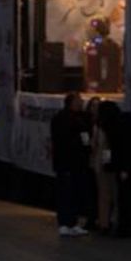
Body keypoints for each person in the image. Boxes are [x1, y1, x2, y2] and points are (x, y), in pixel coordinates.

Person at [50, 93, 91, 236]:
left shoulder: (81, 118)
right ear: (71, 103)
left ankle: (73, 222)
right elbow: (61, 141)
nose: (81, 103)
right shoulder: (62, 119)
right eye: (78, 101)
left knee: (76, 192)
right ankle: (64, 222)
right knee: (66, 192)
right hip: (66, 162)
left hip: (77, 163)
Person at [97, 101, 131, 237]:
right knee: (124, 196)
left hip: (123, 165)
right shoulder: (122, 123)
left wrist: (123, 168)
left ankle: (125, 227)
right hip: (126, 164)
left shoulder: (116, 126)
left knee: (124, 196)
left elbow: (122, 148)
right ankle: (125, 226)